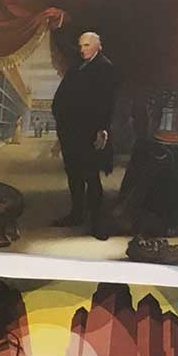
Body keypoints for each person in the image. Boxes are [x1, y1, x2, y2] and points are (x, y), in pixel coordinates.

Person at [54, 30, 118, 234]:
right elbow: (62, 97)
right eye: (80, 46)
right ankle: (76, 214)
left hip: (91, 131)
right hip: (71, 130)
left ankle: (97, 223)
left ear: (98, 46)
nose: (82, 49)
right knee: (73, 174)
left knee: (90, 175)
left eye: (87, 45)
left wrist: (103, 129)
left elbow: (107, 103)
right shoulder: (76, 68)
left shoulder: (105, 68)